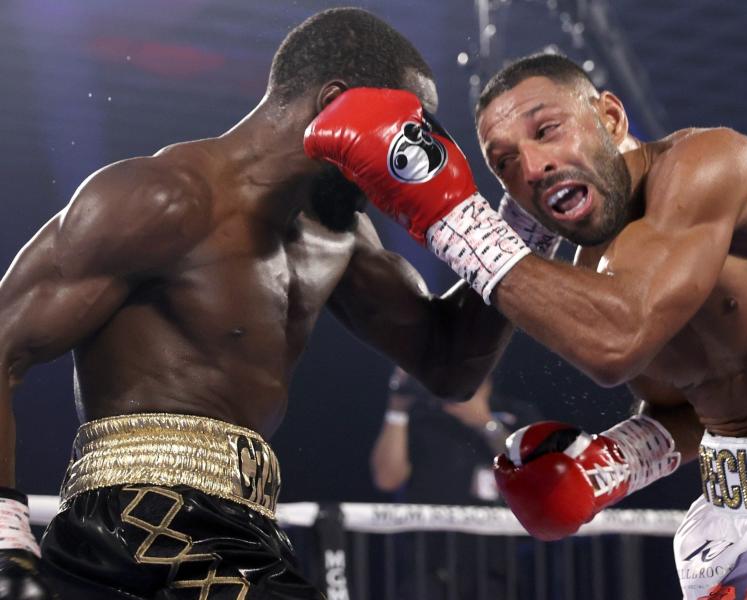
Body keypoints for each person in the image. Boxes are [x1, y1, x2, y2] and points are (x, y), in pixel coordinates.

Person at [305, 52, 747, 599]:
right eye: (504, 164)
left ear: (609, 118)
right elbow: (690, 407)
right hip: (729, 519)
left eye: (548, 131)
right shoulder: (595, 271)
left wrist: (448, 215)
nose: (533, 166)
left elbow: (616, 341)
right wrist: (613, 463)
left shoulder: (709, 165)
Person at [0, 8, 520, 600]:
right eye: (410, 124)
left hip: (247, 531)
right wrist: (4, 534)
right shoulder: (165, 195)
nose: (414, 153)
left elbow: (449, 366)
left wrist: (515, 236)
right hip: (133, 523)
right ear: (338, 102)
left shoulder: (341, 234)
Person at [369, 367, 540, 600]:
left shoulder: (517, 414)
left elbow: (536, 475)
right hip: (427, 568)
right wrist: (397, 410)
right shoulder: (420, 415)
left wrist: (486, 424)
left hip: (497, 569)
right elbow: (386, 479)